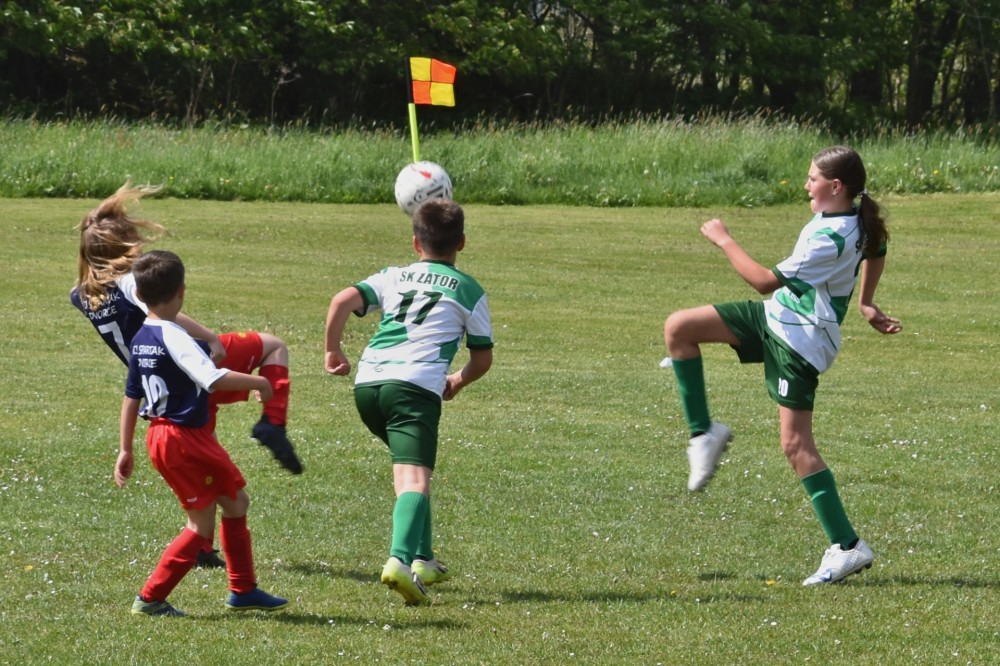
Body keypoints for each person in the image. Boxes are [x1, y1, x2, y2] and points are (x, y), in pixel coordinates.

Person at [663, 145, 902, 586]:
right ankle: (703, 434)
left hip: (801, 342)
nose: (806, 185)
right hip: (778, 317)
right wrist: (866, 302)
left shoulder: (829, 238)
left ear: (835, 186)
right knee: (680, 328)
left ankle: (847, 546)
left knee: (795, 446)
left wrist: (724, 239)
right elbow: (879, 246)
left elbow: (762, 281)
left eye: (812, 178)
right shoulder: (853, 218)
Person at [324, 199, 493, 606]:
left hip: (369, 387)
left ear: (415, 243)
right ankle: (399, 560)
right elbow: (482, 358)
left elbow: (341, 300)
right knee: (415, 480)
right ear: (462, 242)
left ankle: (424, 559)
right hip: (414, 388)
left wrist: (333, 350)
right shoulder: (469, 289)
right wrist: (457, 380)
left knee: (409, 473)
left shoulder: (393, 276)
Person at [116, 250, 288, 616]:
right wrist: (260, 381)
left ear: (139, 294)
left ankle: (243, 589)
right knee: (199, 525)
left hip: (162, 437)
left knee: (235, 502)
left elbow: (132, 396)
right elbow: (212, 378)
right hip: (183, 439)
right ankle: (151, 597)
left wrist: (125, 448)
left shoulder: (141, 337)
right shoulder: (176, 337)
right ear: (182, 291)